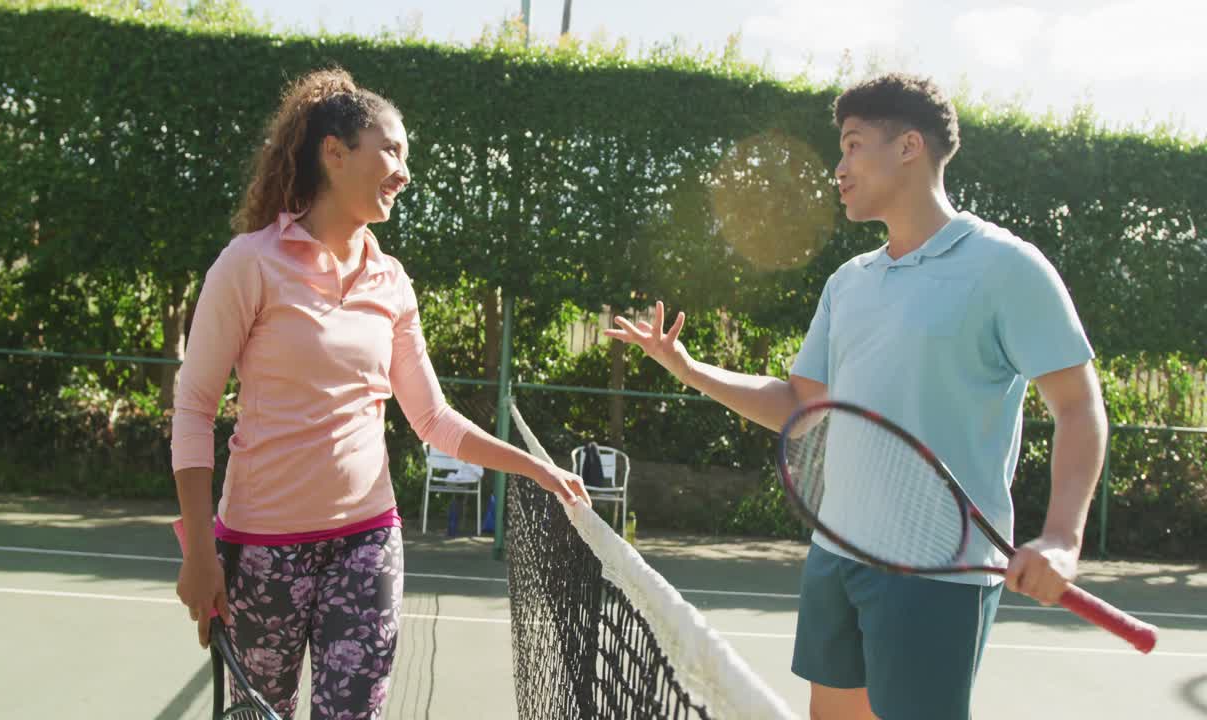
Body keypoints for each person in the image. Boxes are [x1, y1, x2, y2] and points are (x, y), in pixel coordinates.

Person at [605, 73, 1106, 720]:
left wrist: (1062, 537)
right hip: (838, 556)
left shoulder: (1007, 268)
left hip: (938, 573)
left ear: (908, 148)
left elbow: (1078, 404)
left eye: (852, 145)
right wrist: (690, 369)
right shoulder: (850, 283)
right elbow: (799, 407)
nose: (838, 169)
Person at [171, 68, 589, 718]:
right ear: (334, 153)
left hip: (366, 544)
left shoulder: (391, 282)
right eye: (391, 150)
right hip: (261, 552)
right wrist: (200, 552)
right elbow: (195, 407)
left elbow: (435, 420)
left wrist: (536, 469)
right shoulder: (248, 264)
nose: (404, 171)